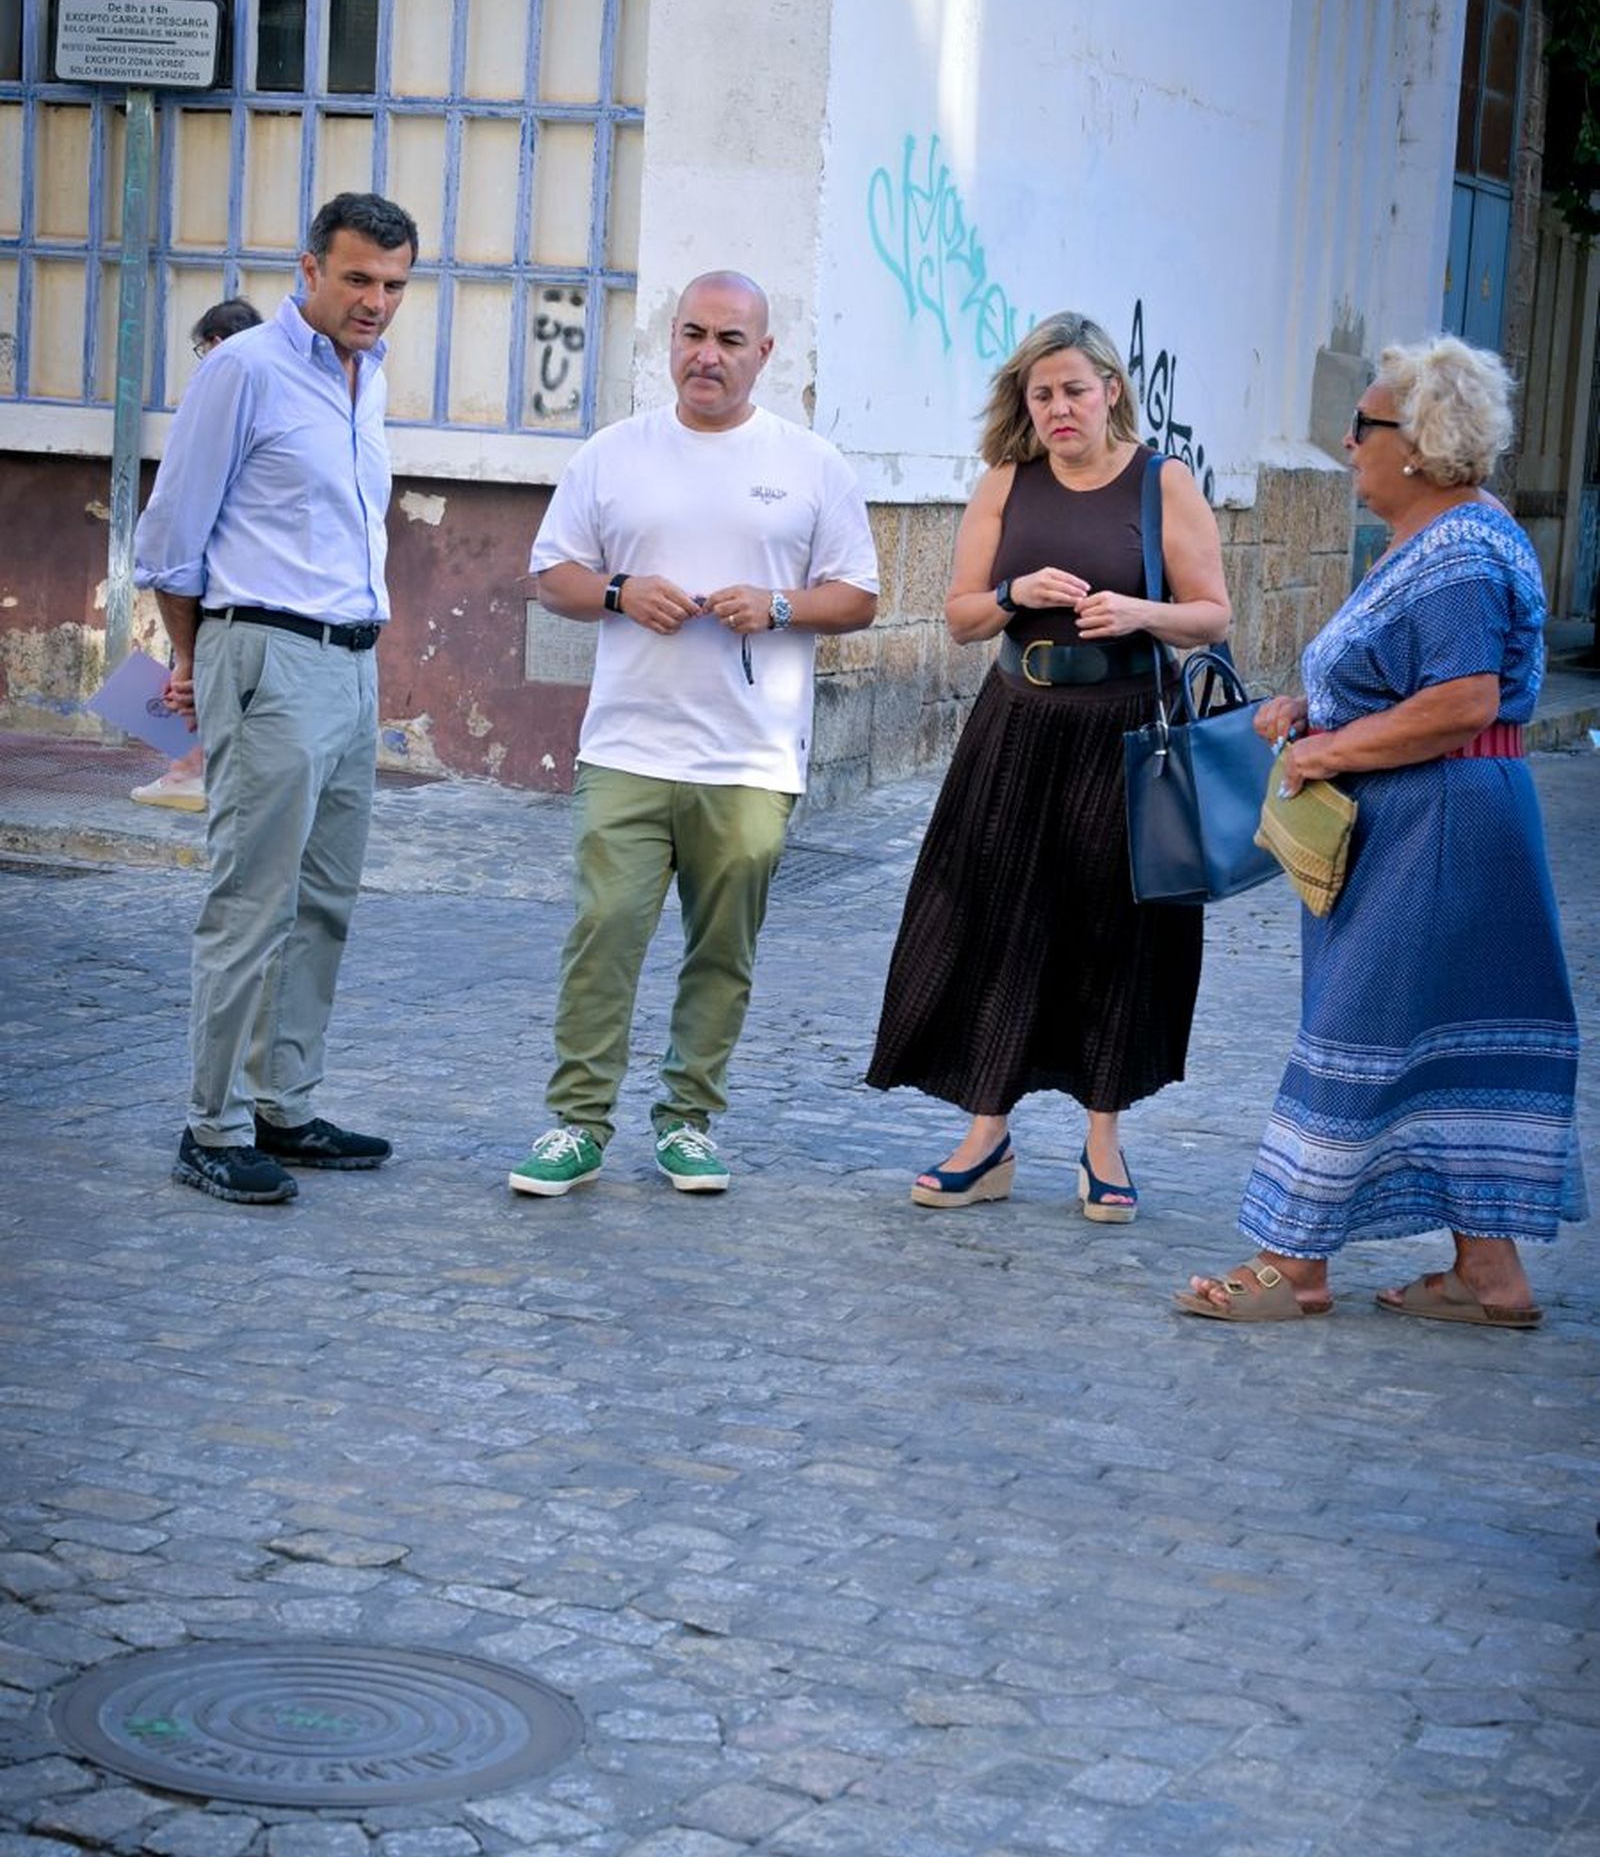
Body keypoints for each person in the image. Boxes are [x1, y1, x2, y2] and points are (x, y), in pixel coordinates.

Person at [1179, 335, 1585, 1328]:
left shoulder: (1456, 552)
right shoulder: (1453, 536)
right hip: (1442, 815)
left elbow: (1461, 700)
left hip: (1436, 823)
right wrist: (1308, 711)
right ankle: (1488, 1277)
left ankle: (1293, 1265)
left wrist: (1327, 752)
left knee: (1355, 1028)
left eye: (1360, 429)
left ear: (1415, 444)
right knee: (1436, 1039)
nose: (1345, 447)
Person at [511, 269, 879, 1199]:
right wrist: (618, 591)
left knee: (723, 946)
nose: (704, 356)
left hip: (750, 755)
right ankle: (577, 1123)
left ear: (763, 353)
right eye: (690, 335)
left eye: (727, 340)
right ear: (668, 342)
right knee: (605, 929)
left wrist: (779, 604)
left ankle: (687, 1120)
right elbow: (552, 573)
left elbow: (859, 596)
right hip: (627, 745)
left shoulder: (811, 464)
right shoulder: (612, 453)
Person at [867, 312, 1231, 1216]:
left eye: (1075, 389)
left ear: (1111, 387)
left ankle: (1102, 1143)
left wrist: (1142, 615)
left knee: (1113, 933)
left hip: (1124, 734)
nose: (1060, 408)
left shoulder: (1161, 482)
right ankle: (986, 1137)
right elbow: (958, 615)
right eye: (1042, 394)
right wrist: (1010, 594)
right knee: (993, 921)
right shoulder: (1006, 482)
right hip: (1016, 725)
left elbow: (1212, 615)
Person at [133, 191, 420, 1206]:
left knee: (324, 900)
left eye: (392, 284)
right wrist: (195, 657)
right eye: (356, 278)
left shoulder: (367, 380)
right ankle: (210, 1124)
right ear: (308, 270)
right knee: (249, 901)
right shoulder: (244, 371)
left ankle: (282, 1105)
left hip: (351, 663)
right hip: (265, 650)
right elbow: (169, 542)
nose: (374, 301)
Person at [131, 299, 265, 815]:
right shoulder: (269, 381)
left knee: (187, 665)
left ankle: (186, 769)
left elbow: (180, 505)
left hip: (204, 568)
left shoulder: (221, 380)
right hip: (238, 573)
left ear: (213, 341)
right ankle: (190, 768)